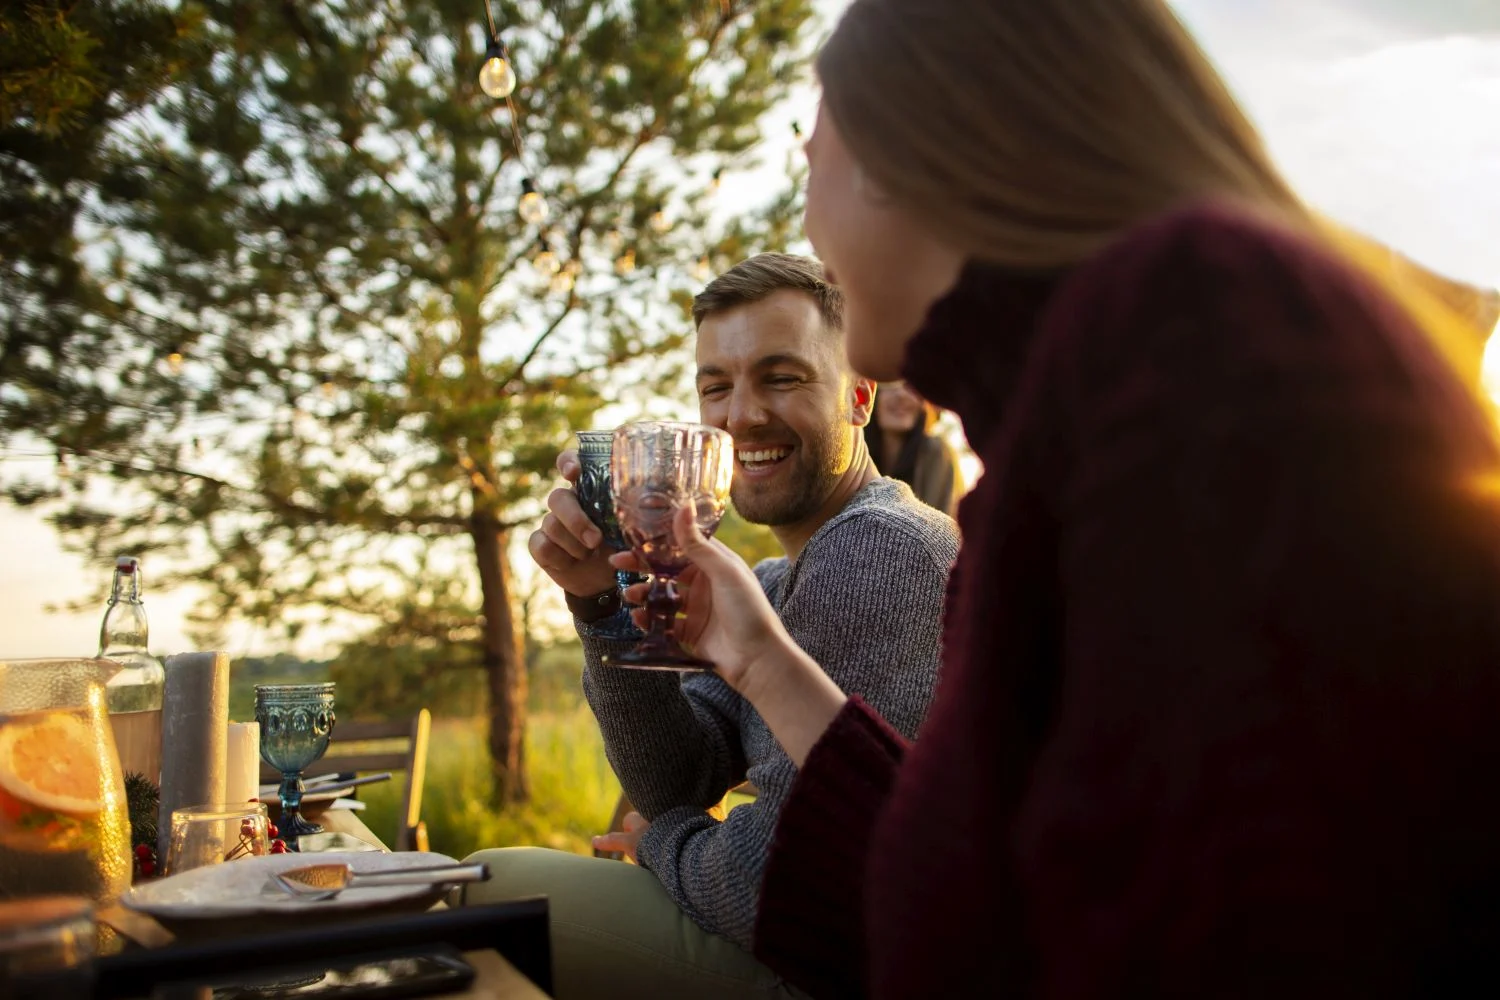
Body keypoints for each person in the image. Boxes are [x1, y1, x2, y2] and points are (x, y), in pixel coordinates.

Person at [606, 1, 1500, 997]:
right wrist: (758, 656)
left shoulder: (1194, 364)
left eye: (811, 162)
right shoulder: (1075, 415)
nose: (811, 223)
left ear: (902, 159)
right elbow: (984, 896)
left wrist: (665, 838)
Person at [463, 253, 958, 999]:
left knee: (486, 890)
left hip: (853, 975)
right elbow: (678, 777)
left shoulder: (879, 547)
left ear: (858, 397)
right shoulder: (777, 581)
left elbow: (778, 879)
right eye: (716, 387)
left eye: (781, 378)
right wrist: (601, 600)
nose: (741, 416)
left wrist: (658, 844)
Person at [863, 379, 963, 517]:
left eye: (910, 386)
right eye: (890, 385)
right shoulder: (855, 453)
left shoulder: (936, 452)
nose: (901, 395)